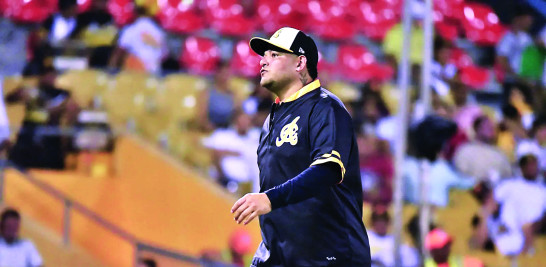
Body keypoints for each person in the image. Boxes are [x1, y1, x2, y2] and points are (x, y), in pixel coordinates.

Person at [230, 27, 371, 266]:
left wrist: (269, 199)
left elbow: (328, 170)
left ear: (300, 63)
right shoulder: (271, 119)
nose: (263, 61)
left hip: (329, 256)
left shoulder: (325, 108)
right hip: (283, 257)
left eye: (275, 55)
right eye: (264, 55)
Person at [453, 116, 512, 182]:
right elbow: (460, 174)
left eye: (492, 127)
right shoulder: (465, 150)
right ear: (477, 128)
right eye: (487, 126)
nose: (491, 129)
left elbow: (507, 176)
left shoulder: (499, 154)